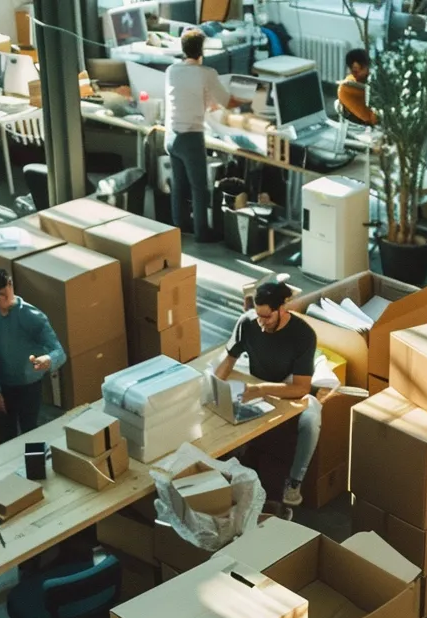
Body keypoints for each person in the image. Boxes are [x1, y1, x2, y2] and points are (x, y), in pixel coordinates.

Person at [215, 281, 320, 506]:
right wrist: (213, 387)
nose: (261, 323)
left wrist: (262, 390)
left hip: (285, 389)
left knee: (312, 418)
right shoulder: (248, 323)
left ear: (282, 309)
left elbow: (301, 388)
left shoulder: (303, 335)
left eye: (267, 317)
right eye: (258, 316)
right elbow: (228, 362)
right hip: (254, 384)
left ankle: (294, 482)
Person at [0, 268, 67, 441]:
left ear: (11, 285)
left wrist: (48, 360)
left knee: (30, 434)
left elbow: (59, 352)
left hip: (28, 386)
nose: (4, 298)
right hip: (1, 384)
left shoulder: (33, 317)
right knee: (5, 436)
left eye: (6, 291)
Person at [164, 29, 236, 238]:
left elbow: (190, 95)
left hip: (171, 137)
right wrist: (252, 98)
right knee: (199, 187)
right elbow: (227, 102)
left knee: (179, 185)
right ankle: (202, 233)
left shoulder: (171, 71)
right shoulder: (207, 73)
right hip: (190, 137)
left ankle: (180, 226)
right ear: (201, 50)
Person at [338, 48, 376, 126]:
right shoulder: (346, 89)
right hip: (362, 129)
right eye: (355, 70)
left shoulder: (371, 78)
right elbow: (369, 118)